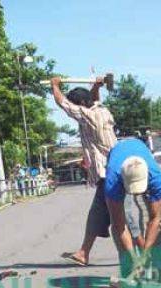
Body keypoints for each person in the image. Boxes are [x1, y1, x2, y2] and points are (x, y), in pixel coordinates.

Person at [49, 76, 117, 266]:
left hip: (106, 171)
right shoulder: (102, 111)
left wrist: (54, 86)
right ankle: (83, 251)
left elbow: (63, 103)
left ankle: (84, 252)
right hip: (115, 167)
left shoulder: (87, 116)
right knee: (102, 213)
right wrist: (96, 86)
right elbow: (94, 101)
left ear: (80, 104)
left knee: (107, 215)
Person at [104, 138, 161, 276]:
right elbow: (119, 225)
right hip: (116, 154)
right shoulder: (112, 181)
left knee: (160, 221)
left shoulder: (156, 177)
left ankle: (154, 262)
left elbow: (154, 218)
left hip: (139, 146)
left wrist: (145, 254)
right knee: (118, 222)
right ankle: (129, 267)